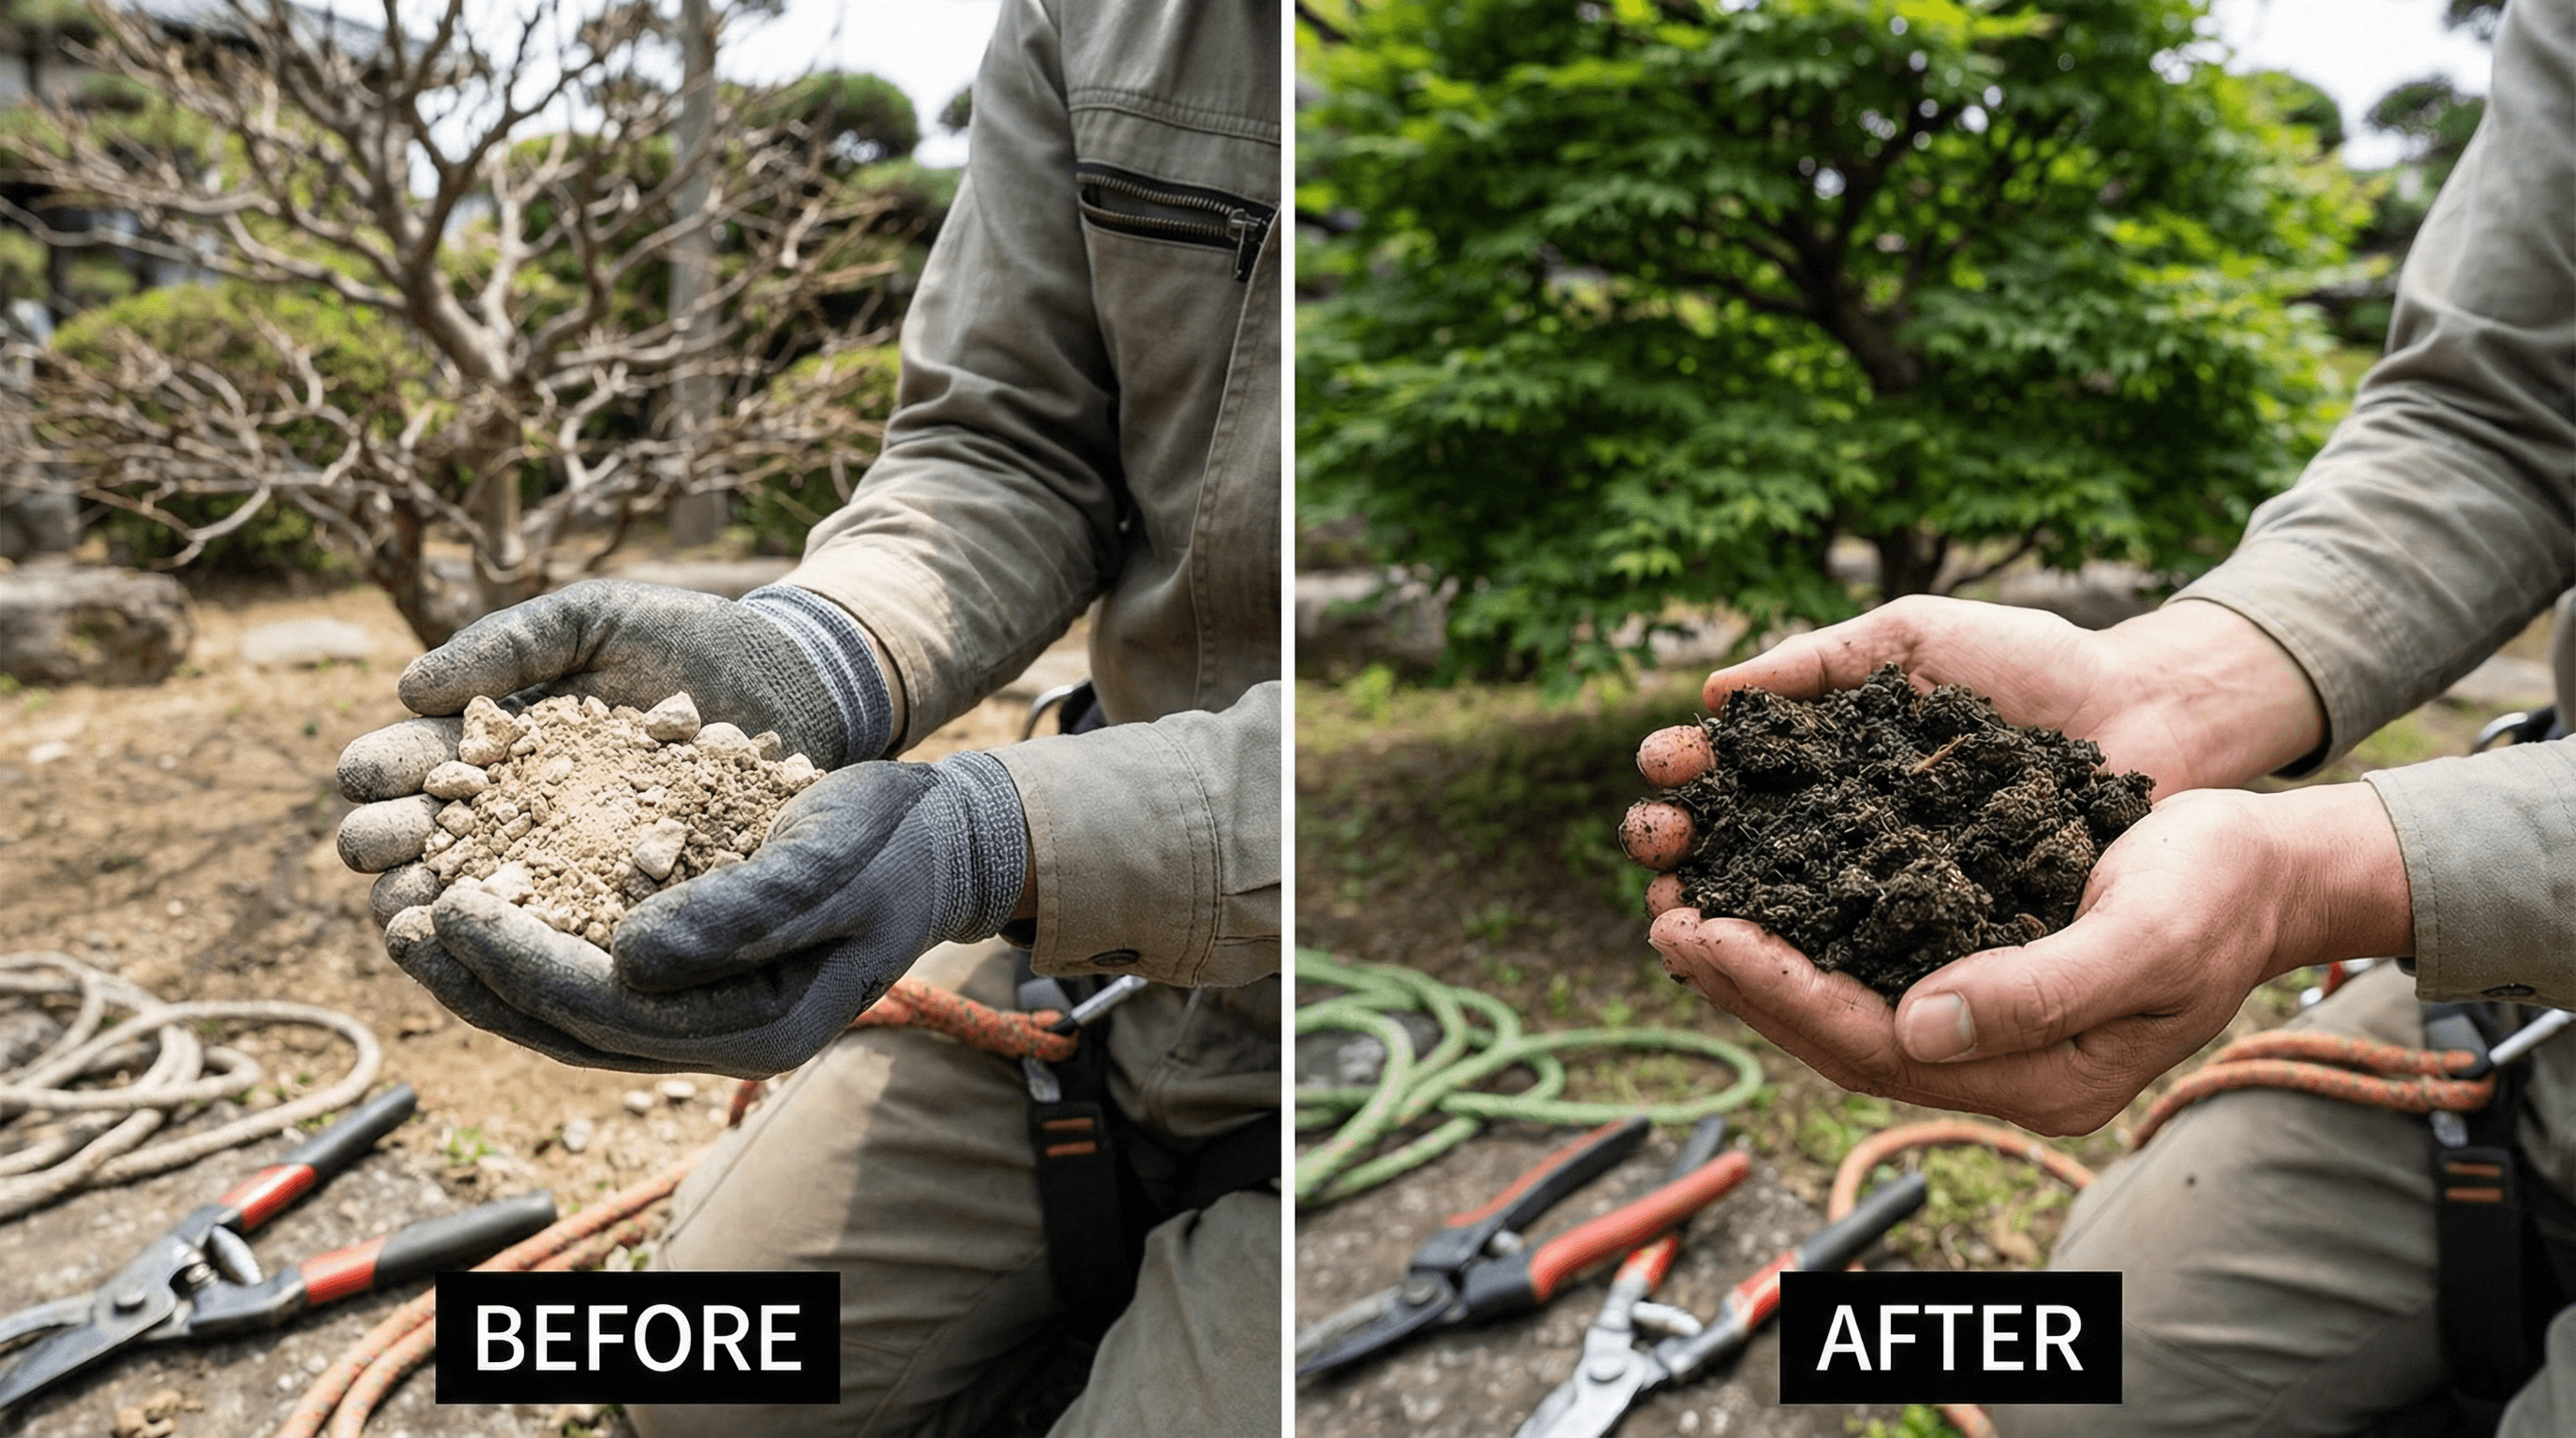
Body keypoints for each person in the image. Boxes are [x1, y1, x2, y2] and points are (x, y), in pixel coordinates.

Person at [331, 1, 1283, 1433]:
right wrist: (812, 658)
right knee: (656, 1371)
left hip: (1300, 998)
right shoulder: (1098, 20)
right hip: (1085, 973)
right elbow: (1008, 442)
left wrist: (997, 842)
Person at [1624, 0, 2573, 1431]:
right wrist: (2176, 687)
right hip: (2537, 1001)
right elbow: (2501, 413)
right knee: (2048, 1373)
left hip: (2517, 889)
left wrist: (2330, 874)